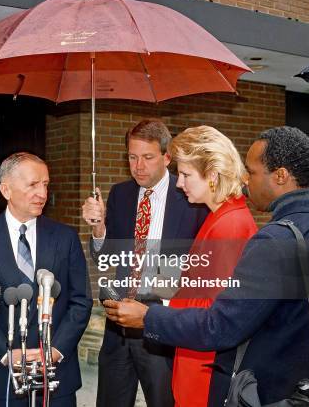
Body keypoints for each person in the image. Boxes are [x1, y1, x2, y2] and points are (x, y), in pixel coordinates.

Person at [104, 126, 309, 405]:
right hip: (308, 384)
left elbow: (220, 322)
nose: (245, 181)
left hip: (247, 381)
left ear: (281, 175)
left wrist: (148, 316)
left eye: (251, 172)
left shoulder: (244, 229)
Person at [81, 119, 207, 407]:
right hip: (118, 325)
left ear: (166, 157)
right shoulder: (121, 194)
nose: (138, 166)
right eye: (132, 157)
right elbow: (103, 256)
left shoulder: (188, 197)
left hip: (161, 324)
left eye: (148, 158)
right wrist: (99, 227)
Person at [0, 152, 93, 407]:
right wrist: (7, 353)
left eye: (45, 184)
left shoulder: (65, 238)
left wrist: (55, 350)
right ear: (6, 189)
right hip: (0, 377)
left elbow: (80, 301)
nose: (42, 193)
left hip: (56, 376)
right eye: (33, 185)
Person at [167, 126, 257, 407]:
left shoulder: (229, 224)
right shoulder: (220, 215)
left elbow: (217, 314)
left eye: (185, 175)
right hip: (200, 356)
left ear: (213, 175)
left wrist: (159, 311)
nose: (179, 183)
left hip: (206, 365)